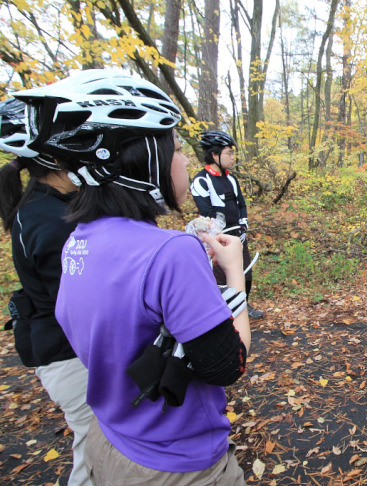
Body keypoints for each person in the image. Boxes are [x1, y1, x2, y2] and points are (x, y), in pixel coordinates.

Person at [15, 70, 251, 485]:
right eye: (176, 150)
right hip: (179, 460)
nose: (183, 161)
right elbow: (227, 365)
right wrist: (233, 273)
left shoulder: (79, 240)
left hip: (111, 442)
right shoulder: (171, 253)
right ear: (142, 158)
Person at [0, 97, 93, 486]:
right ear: (57, 159)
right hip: (69, 355)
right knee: (95, 458)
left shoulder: (51, 204)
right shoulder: (49, 218)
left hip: (63, 346)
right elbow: (81, 302)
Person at [190, 130, 265, 319]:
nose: (233, 157)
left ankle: (244, 306)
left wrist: (243, 224)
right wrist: (221, 234)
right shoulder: (201, 180)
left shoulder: (231, 178)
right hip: (218, 238)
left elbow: (240, 203)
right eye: (228, 153)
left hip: (238, 235)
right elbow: (206, 213)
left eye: (233, 153)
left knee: (246, 274)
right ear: (214, 155)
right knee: (221, 278)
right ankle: (223, 313)